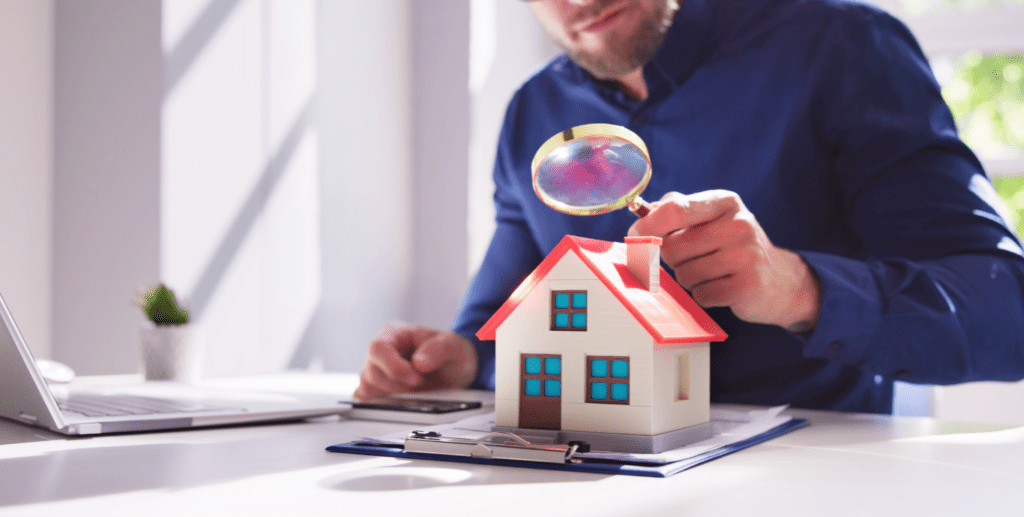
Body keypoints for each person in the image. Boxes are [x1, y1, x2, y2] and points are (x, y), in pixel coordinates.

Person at [357, 0, 1024, 413]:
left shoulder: (843, 48)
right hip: (585, 498)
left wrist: (800, 287)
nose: (580, 1)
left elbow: (1007, 317)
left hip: (815, 500)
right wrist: (460, 363)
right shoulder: (536, 114)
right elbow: (495, 330)